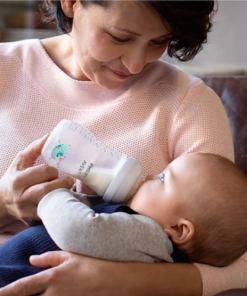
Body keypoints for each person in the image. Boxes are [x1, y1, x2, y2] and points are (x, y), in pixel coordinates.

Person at [0, 1, 246, 296]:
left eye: (159, 41)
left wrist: (126, 280)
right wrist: (3, 203)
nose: (135, 64)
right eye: (120, 37)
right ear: (70, 4)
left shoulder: (189, 104)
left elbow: (237, 256)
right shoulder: (6, 69)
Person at [1, 152, 247, 288]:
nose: (151, 175)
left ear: (178, 229)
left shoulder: (151, 236)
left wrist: (51, 197)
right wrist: (86, 197)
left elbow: (79, 229)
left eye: (162, 179)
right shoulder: (138, 233)